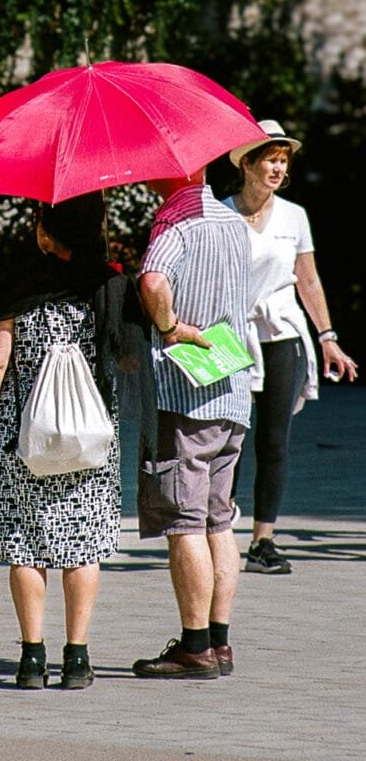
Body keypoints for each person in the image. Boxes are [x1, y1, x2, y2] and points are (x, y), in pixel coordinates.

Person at [0, 192, 149, 692]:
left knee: (26, 547)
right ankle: (77, 659)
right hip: (90, 435)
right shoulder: (110, 283)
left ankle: (31, 660)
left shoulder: (20, 281)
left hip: (21, 433)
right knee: (82, 545)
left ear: (47, 230)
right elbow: (130, 362)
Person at [223, 119, 358, 575]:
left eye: (284, 160)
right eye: (270, 160)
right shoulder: (221, 214)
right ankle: (218, 533)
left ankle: (263, 541)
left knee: (273, 441)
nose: (279, 168)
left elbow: (308, 278)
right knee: (230, 440)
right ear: (247, 163)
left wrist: (328, 339)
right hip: (233, 339)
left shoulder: (294, 216)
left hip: (282, 336)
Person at [132, 167, 251, 680]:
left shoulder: (174, 222)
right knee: (219, 520)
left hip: (186, 393)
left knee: (184, 520)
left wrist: (168, 326)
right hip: (234, 388)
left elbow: (153, 281)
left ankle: (195, 647)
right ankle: (220, 642)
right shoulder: (232, 220)